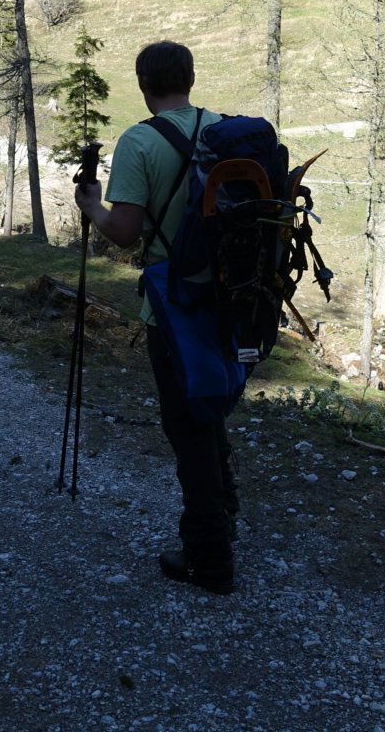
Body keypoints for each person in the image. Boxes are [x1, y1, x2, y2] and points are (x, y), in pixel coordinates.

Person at [72, 40, 237, 595]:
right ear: (190, 78)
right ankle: (224, 511)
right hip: (230, 296)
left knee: (185, 421)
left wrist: (92, 206)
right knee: (209, 405)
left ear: (144, 84)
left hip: (174, 301)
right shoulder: (223, 128)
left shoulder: (140, 140)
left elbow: (125, 233)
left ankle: (208, 557)